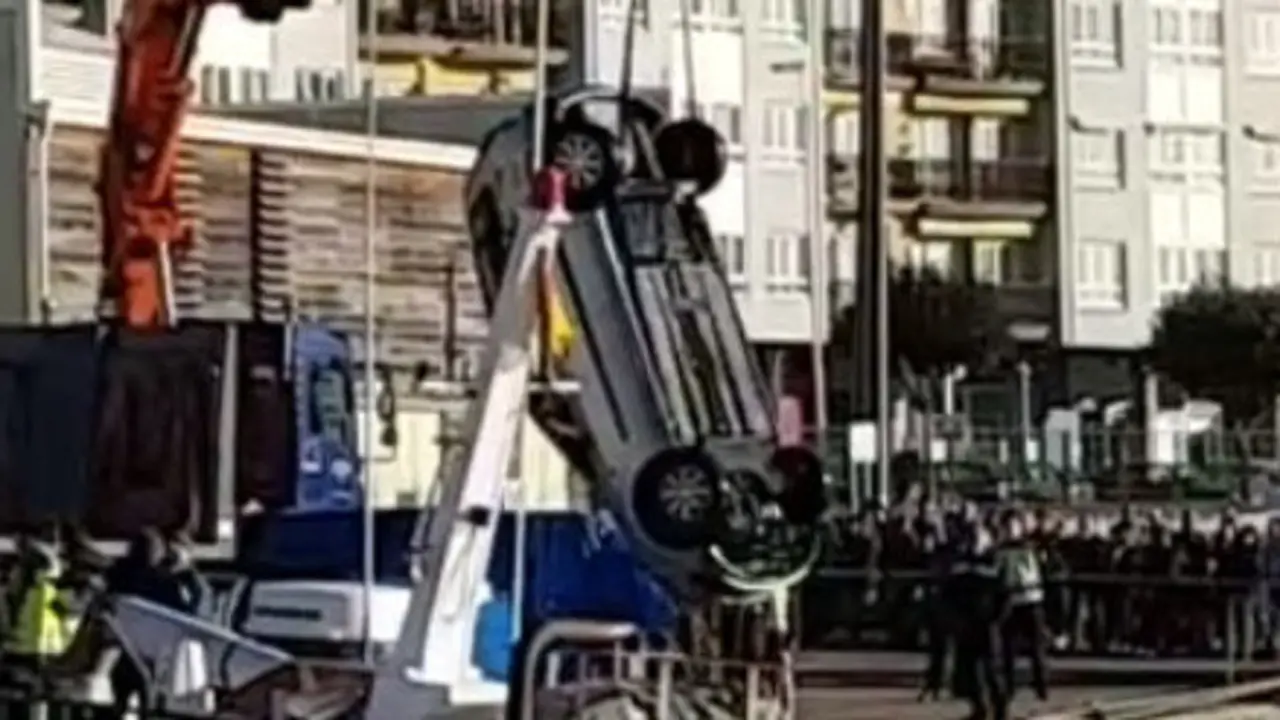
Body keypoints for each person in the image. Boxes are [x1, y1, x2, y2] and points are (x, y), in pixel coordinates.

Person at [948, 524, 1007, 720]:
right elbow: (951, 593)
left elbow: (1004, 594)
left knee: (992, 671)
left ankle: (1000, 711)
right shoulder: (961, 563)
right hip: (967, 624)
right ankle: (979, 708)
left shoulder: (994, 561)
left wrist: (996, 618)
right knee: (970, 670)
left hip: (987, 624)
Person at [996, 513, 1048, 701]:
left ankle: (1041, 685)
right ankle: (1009, 687)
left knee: (1036, 647)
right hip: (1011, 600)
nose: (1011, 530)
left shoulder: (1030, 546)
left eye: (1014, 526)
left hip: (1031, 599)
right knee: (1008, 648)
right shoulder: (1001, 549)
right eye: (1007, 527)